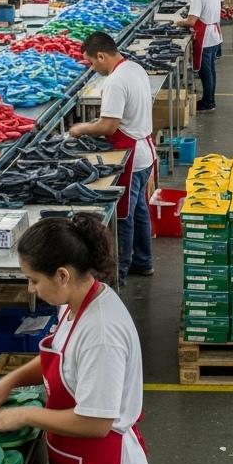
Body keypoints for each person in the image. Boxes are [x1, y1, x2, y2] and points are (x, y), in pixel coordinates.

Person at [0, 214, 148, 464]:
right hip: (77, 463)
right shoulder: (74, 301)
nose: (30, 288)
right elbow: (61, 354)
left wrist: (24, 414)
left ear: (62, 275)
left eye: (34, 280)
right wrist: (8, 382)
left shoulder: (102, 335)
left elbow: (96, 423)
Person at [68, 33, 157, 285]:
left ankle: (120, 273)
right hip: (144, 150)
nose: (92, 68)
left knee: (123, 215)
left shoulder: (115, 82)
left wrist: (81, 128)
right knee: (139, 208)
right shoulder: (134, 68)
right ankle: (144, 261)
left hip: (129, 155)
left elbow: (108, 126)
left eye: (91, 62)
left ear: (101, 56)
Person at [175, 0, 223, 113]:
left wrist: (178, 22)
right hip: (215, 34)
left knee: (205, 71)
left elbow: (191, 21)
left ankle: (208, 102)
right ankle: (209, 98)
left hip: (206, 37)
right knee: (211, 70)